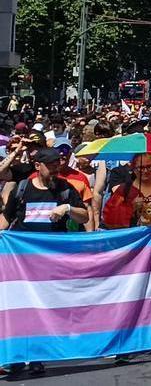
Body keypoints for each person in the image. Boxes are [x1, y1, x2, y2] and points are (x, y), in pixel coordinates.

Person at [0, 148, 88, 376]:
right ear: (38, 165)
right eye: (50, 166)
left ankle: (37, 356)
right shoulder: (22, 189)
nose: (55, 169)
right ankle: (17, 357)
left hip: (51, 262)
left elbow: (84, 216)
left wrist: (67, 208)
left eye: (58, 165)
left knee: (42, 309)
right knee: (19, 310)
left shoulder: (65, 189)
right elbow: (5, 219)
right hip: (20, 262)